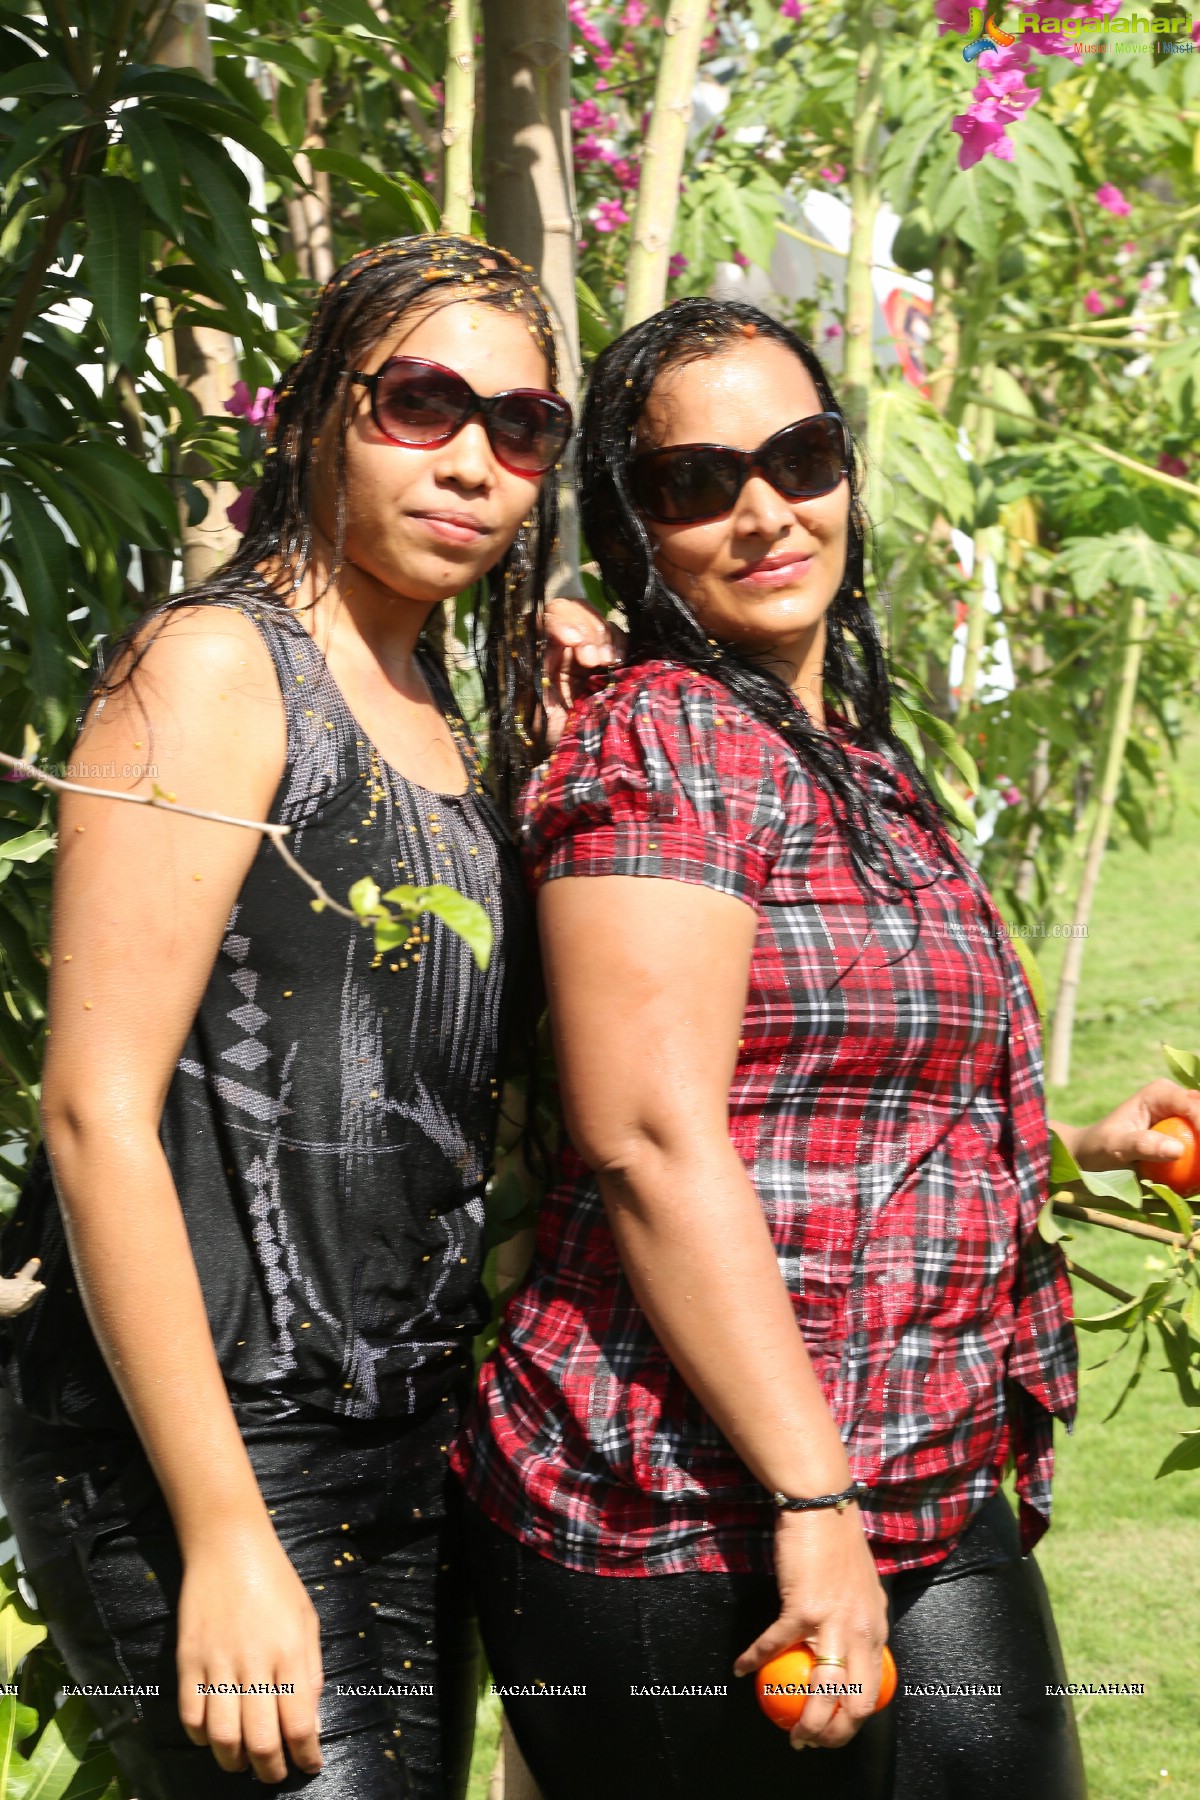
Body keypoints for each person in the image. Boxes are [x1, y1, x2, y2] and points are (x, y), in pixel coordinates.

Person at [450, 296, 1200, 1800]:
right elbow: (651, 1137)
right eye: (696, 480)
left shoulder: (842, 751)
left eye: (799, 455)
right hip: (683, 1510)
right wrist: (810, 1499)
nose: (764, 509)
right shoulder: (662, 740)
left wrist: (1080, 1150)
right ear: (629, 528)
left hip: (915, 1476)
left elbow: (830, 1112)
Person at [0, 233, 612, 1800]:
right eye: (423, 404)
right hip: (204, 1446)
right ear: (321, 416)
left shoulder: (444, 710)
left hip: (409, 1443)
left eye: (522, 427)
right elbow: (95, 1115)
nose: (474, 461)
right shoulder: (215, 668)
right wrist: (221, 1531)